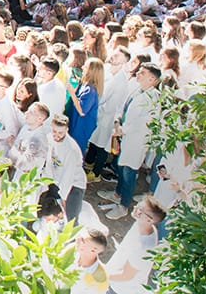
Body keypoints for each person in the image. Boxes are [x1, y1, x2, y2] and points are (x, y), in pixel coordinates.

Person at [102, 63, 161, 220]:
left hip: (136, 141)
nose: (138, 74)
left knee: (129, 173)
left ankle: (124, 205)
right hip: (124, 136)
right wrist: (118, 119)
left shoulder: (153, 98)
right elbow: (126, 106)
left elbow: (143, 122)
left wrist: (123, 129)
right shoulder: (138, 89)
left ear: (152, 79)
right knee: (120, 168)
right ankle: (117, 193)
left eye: (142, 73)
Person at [106, 196, 166, 294]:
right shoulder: (142, 224)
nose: (135, 208)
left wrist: (101, 276)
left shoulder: (143, 249)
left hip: (120, 289)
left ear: (150, 220)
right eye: (138, 205)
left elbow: (126, 275)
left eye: (140, 210)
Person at [71, 228, 110, 294]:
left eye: (82, 240)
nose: (77, 239)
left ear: (93, 250)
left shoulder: (100, 279)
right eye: (79, 237)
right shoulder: (72, 250)